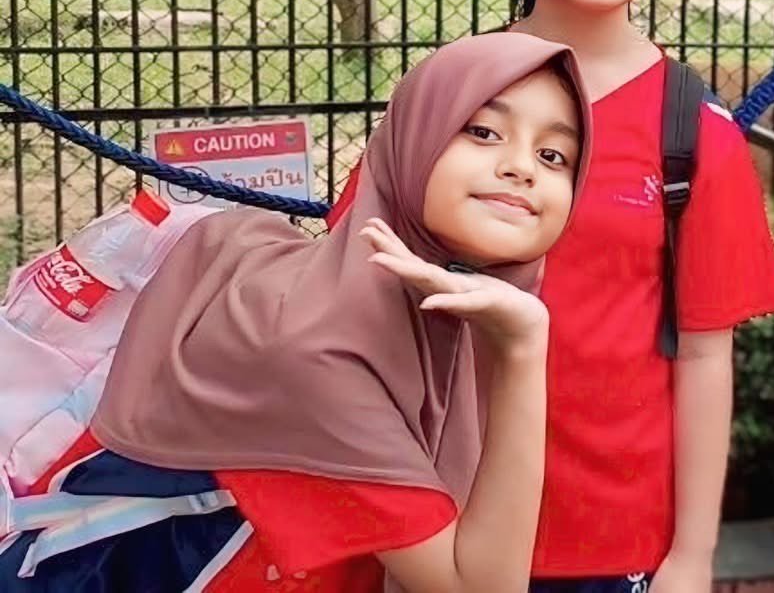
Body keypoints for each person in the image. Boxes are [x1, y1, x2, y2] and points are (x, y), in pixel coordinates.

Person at [328, 0, 774, 593]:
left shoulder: (694, 127)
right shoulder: (449, 92)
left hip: (613, 536)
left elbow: (706, 354)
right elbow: (355, 284)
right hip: (445, 524)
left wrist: (693, 554)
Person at [3, 32, 589, 592]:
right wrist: (523, 347)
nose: (522, 167)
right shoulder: (320, 346)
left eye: (553, 155)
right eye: (483, 131)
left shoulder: (414, 310)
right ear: (414, 139)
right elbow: (475, 587)